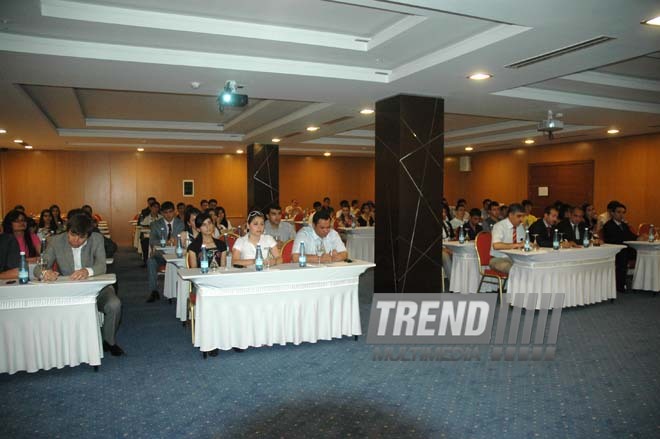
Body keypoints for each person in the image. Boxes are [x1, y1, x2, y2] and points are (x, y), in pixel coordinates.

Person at [35, 213, 124, 356]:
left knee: (114, 304)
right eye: (73, 235)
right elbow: (38, 267)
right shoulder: (56, 241)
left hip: (96, 287)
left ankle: (109, 341)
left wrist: (87, 271)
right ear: (67, 229)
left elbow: (102, 266)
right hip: (68, 290)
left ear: (88, 235)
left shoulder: (96, 239)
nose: (76, 240)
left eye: (82, 237)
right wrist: (45, 273)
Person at [146, 201, 185, 303]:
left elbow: (182, 239)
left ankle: (178, 291)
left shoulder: (180, 223)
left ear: (174, 212)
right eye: (165, 212)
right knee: (151, 261)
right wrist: (165, 242)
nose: (168, 215)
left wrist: (175, 241)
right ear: (162, 213)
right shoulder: (155, 224)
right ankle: (153, 291)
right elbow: (152, 241)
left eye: (170, 212)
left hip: (177, 255)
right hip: (161, 256)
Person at [603, 202, 644, 293]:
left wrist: (639, 238)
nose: (621, 215)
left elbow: (631, 236)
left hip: (626, 248)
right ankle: (620, 285)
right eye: (619, 212)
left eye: (623, 212)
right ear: (612, 213)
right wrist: (629, 239)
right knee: (623, 256)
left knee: (643, 253)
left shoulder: (624, 225)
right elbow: (613, 240)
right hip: (615, 250)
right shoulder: (608, 225)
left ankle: (641, 282)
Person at [489, 203, 526, 273]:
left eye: (523, 216)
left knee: (529, 268)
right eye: (519, 216)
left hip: (517, 259)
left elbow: (522, 244)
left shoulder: (520, 227)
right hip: (499, 259)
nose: (521, 219)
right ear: (510, 215)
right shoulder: (499, 226)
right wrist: (517, 245)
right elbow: (496, 246)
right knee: (515, 270)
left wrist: (528, 245)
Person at [139, 200, 161, 266]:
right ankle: (146, 261)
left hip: (159, 236)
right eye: (154, 207)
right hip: (148, 235)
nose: (155, 209)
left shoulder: (161, 217)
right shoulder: (147, 218)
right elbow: (143, 226)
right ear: (151, 208)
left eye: (157, 207)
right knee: (144, 241)